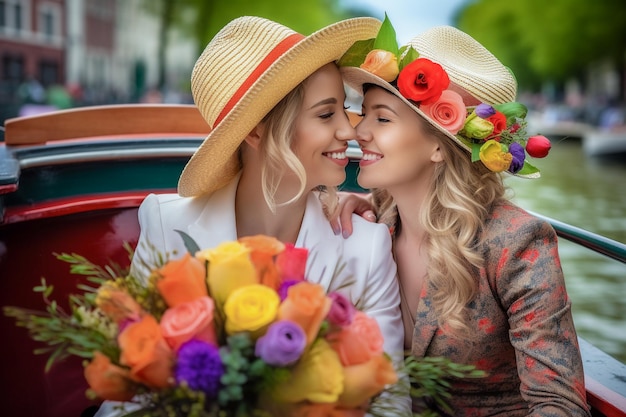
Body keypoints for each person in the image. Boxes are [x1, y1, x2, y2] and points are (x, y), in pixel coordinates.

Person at [95, 15, 409, 416]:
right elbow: (128, 397)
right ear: (257, 132)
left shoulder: (368, 246)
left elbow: (390, 404)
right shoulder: (166, 224)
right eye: (326, 114)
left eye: (344, 112)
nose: (349, 133)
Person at [334, 24, 591, 416]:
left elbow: (560, 405)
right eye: (364, 113)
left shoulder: (518, 242)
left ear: (438, 145)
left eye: (382, 119)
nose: (359, 130)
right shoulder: (373, 222)